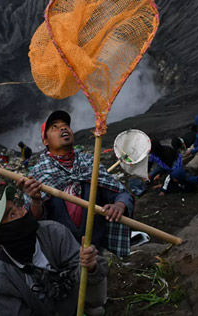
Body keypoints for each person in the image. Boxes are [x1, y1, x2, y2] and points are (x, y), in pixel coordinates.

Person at [17, 110, 134, 257]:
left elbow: (121, 194)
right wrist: (35, 200)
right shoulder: (38, 175)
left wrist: (119, 205)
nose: (63, 128)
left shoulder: (90, 164)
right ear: (45, 141)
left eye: (66, 125)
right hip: (60, 257)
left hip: (95, 254)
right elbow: (34, 220)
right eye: (54, 127)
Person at [0, 186, 108, 316]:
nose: (24, 212)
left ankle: (87, 307)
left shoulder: (53, 232)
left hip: (73, 303)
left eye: (18, 207)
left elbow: (79, 268)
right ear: (4, 234)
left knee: (93, 276)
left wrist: (90, 266)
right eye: (12, 214)